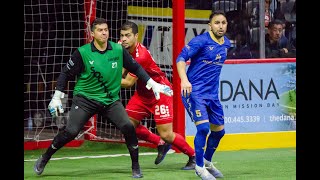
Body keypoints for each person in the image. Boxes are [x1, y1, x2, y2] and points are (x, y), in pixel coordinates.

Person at [33, 18, 173, 178]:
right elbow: (65, 73)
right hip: (85, 100)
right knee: (71, 132)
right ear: (92, 34)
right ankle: (45, 158)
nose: (104, 32)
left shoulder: (118, 50)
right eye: (100, 30)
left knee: (128, 127)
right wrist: (57, 95)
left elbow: (136, 67)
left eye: (106, 29)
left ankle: (136, 166)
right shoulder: (82, 52)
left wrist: (152, 83)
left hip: (110, 101)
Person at [119, 21, 196, 170]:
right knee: (127, 126)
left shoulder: (140, 56)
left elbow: (128, 83)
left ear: (136, 36)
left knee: (166, 134)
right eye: (122, 36)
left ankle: (193, 156)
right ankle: (159, 143)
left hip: (160, 93)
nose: (124, 39)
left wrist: (107, 78)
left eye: (128, 36)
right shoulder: (121, 46)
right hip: (142, 94)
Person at [176, 10, 231, 180]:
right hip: (194, 92)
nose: (220, 26)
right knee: (203, 128)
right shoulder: (200, 41)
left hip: (212, 95)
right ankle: (199, 168)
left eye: (223, 23)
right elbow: (180, 58)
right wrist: (184, 80)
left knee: (219, 132)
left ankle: (207, 161)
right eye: (217, 23)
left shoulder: (227, 43)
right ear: (210, 25)